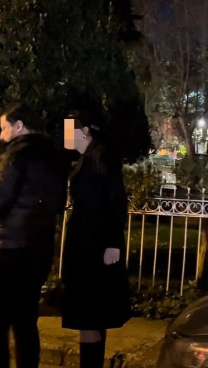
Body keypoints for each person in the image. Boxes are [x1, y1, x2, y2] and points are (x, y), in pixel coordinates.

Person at [0, 103, 69, 368]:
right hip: (38, 251)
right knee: (25, 322)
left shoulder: (16, 156)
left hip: (7, 252)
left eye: (4, 128)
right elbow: (56, 205)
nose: (1, 135)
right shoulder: (55, 159)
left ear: (19, 126)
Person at [62, 110, 131, 368]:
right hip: (86, 245)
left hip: (94, 247)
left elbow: (116, 199)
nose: (64, 136)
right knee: (91, 316)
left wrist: (113, 242)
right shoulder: (85, 159)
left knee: (88, 316)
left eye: (69, 130)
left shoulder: (102, 157)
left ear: (84, 132)